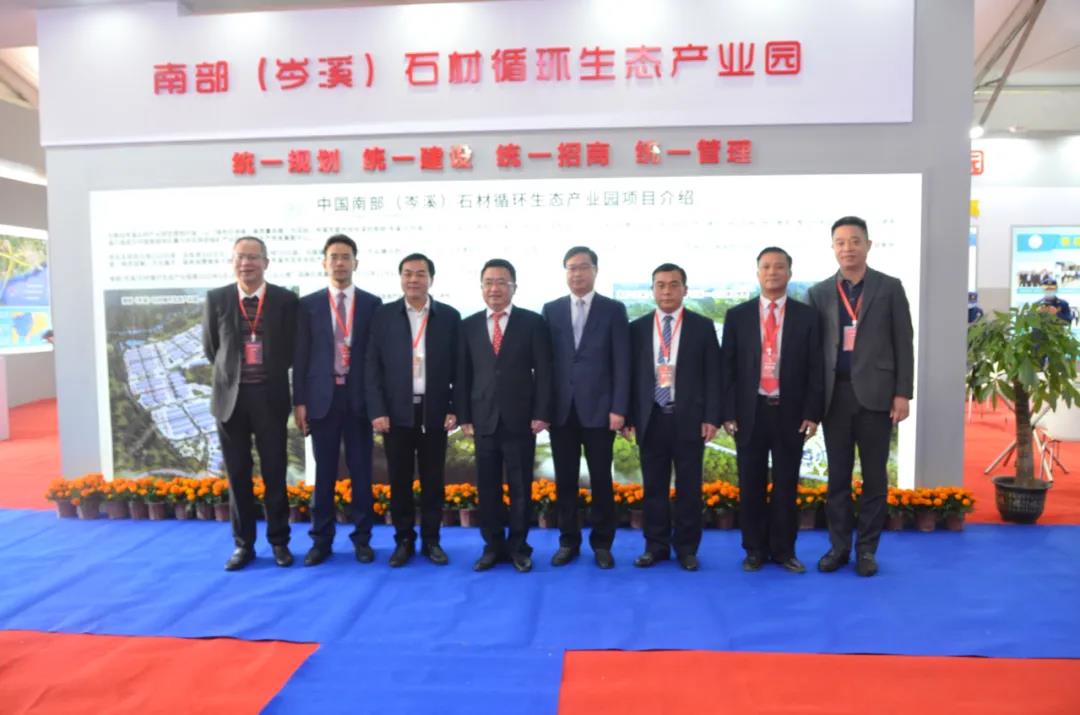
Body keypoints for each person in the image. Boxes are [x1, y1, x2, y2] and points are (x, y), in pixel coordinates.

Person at [807, 216, 914, 577]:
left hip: (877, 397)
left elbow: (903, 342)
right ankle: (838, 548)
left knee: (874, 478)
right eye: (840, 242)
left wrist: (903, 393)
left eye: (854, 241)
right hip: (835, 397)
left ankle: (867, 550)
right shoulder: (819, 293)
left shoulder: (889, 287)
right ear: (833, 248)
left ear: (868, 245)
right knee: (837, 477)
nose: (847, 248)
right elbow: (812, 353)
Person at [720, 247, 824, 574]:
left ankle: (783, 551)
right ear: (758, 273)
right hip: (749, 413)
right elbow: (727, 369)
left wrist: (812, 413)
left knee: (786, 486)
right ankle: (753, 550)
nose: (772, 272)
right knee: (750, 485)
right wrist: (728, 412)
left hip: (789, 413)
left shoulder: (807, 317)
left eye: (779, 266)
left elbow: (816, 369)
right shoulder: (738, 316)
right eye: (766, 266)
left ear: (789, 273)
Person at [201, 236, 298, 571]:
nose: (247, 263)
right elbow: (212, 349)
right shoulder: (217, 298)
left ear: (265, 263)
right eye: (241, 257)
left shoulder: (285, 300)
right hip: (231, 401)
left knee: (275, 473)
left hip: (270, 399)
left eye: (254, 257)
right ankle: (244, 545)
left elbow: (290, 350)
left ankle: (279, 542)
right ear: (233, 262)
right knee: (238, 475)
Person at [457, 259, 553, 573]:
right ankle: (492, 547)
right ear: (481, 287)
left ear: (514, 287)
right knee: (487, 489)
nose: (495, 288)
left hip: (520, 420)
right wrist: (464, 415)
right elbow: (463, 375)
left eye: (502, 282)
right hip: (482, 420)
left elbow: (545, 372)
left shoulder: (532, 322)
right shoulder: (469, 325)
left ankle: (519, 548)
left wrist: (541, 412)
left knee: (520, 488)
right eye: (489, 282)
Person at [366, 253, 460, 567]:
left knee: (434, 482)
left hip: (435, 412)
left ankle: (432, 540)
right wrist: (377, 410)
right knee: (400, 481)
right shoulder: (383, 316)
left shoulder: (449, 317)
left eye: (420, 274)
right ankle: (403, 540)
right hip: (396, 414)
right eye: (408, 274)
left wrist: (454, 407)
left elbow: (460, 369)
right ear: (400, 278)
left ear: (431, 279)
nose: (414, 280)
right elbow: (372, 367)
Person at [293, 234, 382, 567]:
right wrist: (299, 401)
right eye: (334, 257)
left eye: (346, 257)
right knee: (324, 475)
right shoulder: (308, 305)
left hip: (358, 400)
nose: (340, 263)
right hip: (322, 399)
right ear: (324, 263)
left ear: (356, 263)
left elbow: (376, 359)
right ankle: (321, 540)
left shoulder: (372, 304)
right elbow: (301, 356)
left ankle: (363, 539)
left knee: (362, 474)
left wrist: (378, 404)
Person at [624, 263, 720, 571]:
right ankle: (656, 546)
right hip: (651, 417)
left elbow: (713, 376)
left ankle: (687, 549)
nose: (667, 291)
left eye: (674, 284)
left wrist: (712, 417)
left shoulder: (702, 327)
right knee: (654, 487)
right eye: (661, 285)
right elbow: (629, 376)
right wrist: (629, 416)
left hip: (688, 418)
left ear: (685, 290)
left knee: (689, 488)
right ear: (652, 290)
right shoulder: (637, 328)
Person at [542, 246, 630, 569]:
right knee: (565, 481)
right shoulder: (551, 310)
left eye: (582, 267)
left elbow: (622, 362)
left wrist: (619, 408)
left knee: (601, 481)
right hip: (562, 412)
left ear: (595, 270)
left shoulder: (613, 310)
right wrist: (543, 409)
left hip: (601, 411)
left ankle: (602, 544)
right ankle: (568, 541)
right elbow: (545, 365)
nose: (576, 273)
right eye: (571, 267)